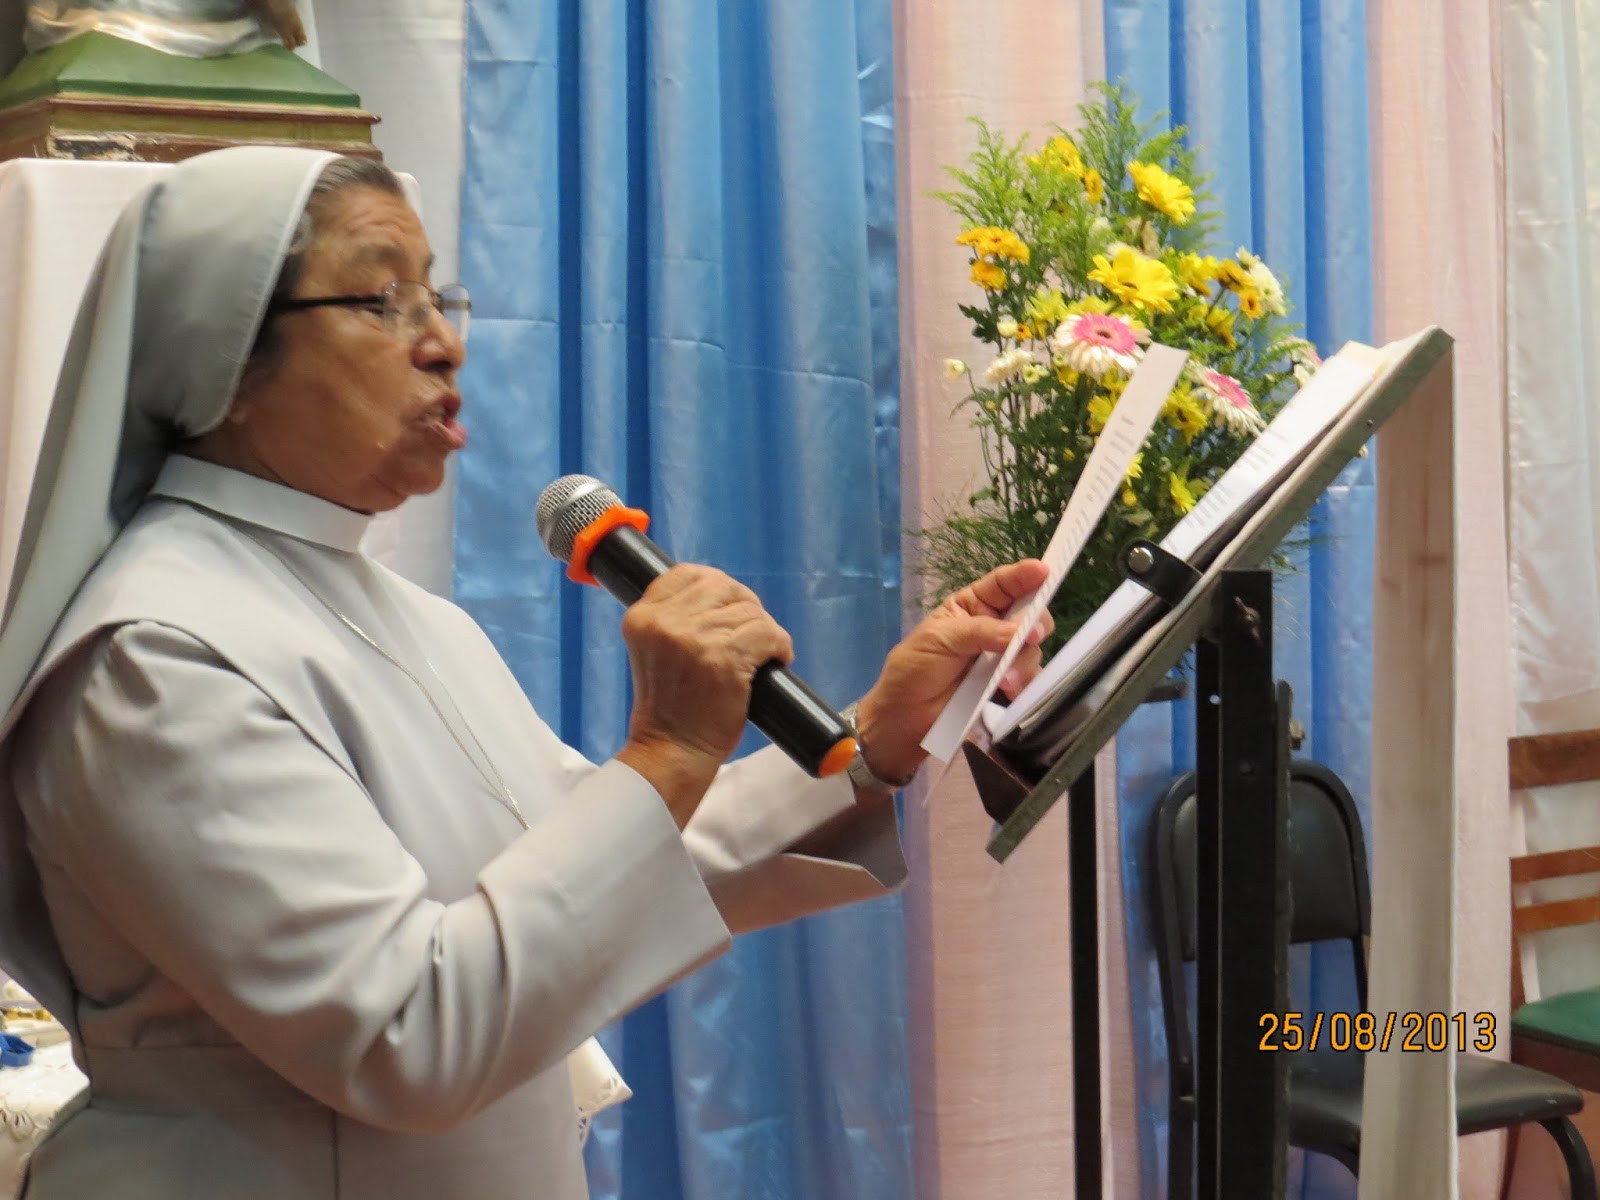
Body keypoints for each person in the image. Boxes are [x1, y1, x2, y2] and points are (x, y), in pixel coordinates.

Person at [0, 146, 1050, 1198]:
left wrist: (873, 737)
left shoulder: (411, 618)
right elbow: (407, 1037)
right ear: (223, 358)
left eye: (438, 297)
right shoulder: (153, 655)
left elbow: (610, 866)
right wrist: (670, 745)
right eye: (381, 301)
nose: (444, 343)